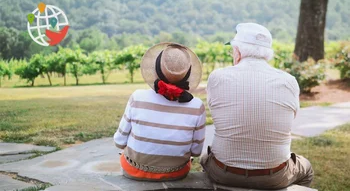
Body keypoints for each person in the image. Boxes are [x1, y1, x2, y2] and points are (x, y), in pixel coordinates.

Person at [201, 23, 314, 189]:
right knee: (307, 168)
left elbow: (218, 112)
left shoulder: (217, 77)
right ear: (267, 54)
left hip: (223, 172)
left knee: (205, 159)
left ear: (238, 51)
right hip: (274, 176)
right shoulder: (289, 81)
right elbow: (291, 117)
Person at [114, 42, 206, 181]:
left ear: (156, 69)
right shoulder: (196, 106)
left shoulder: (137, 97)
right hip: (176, 173)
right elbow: (196, 152)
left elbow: (119, 142)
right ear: (187, 74)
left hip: (134, 170)